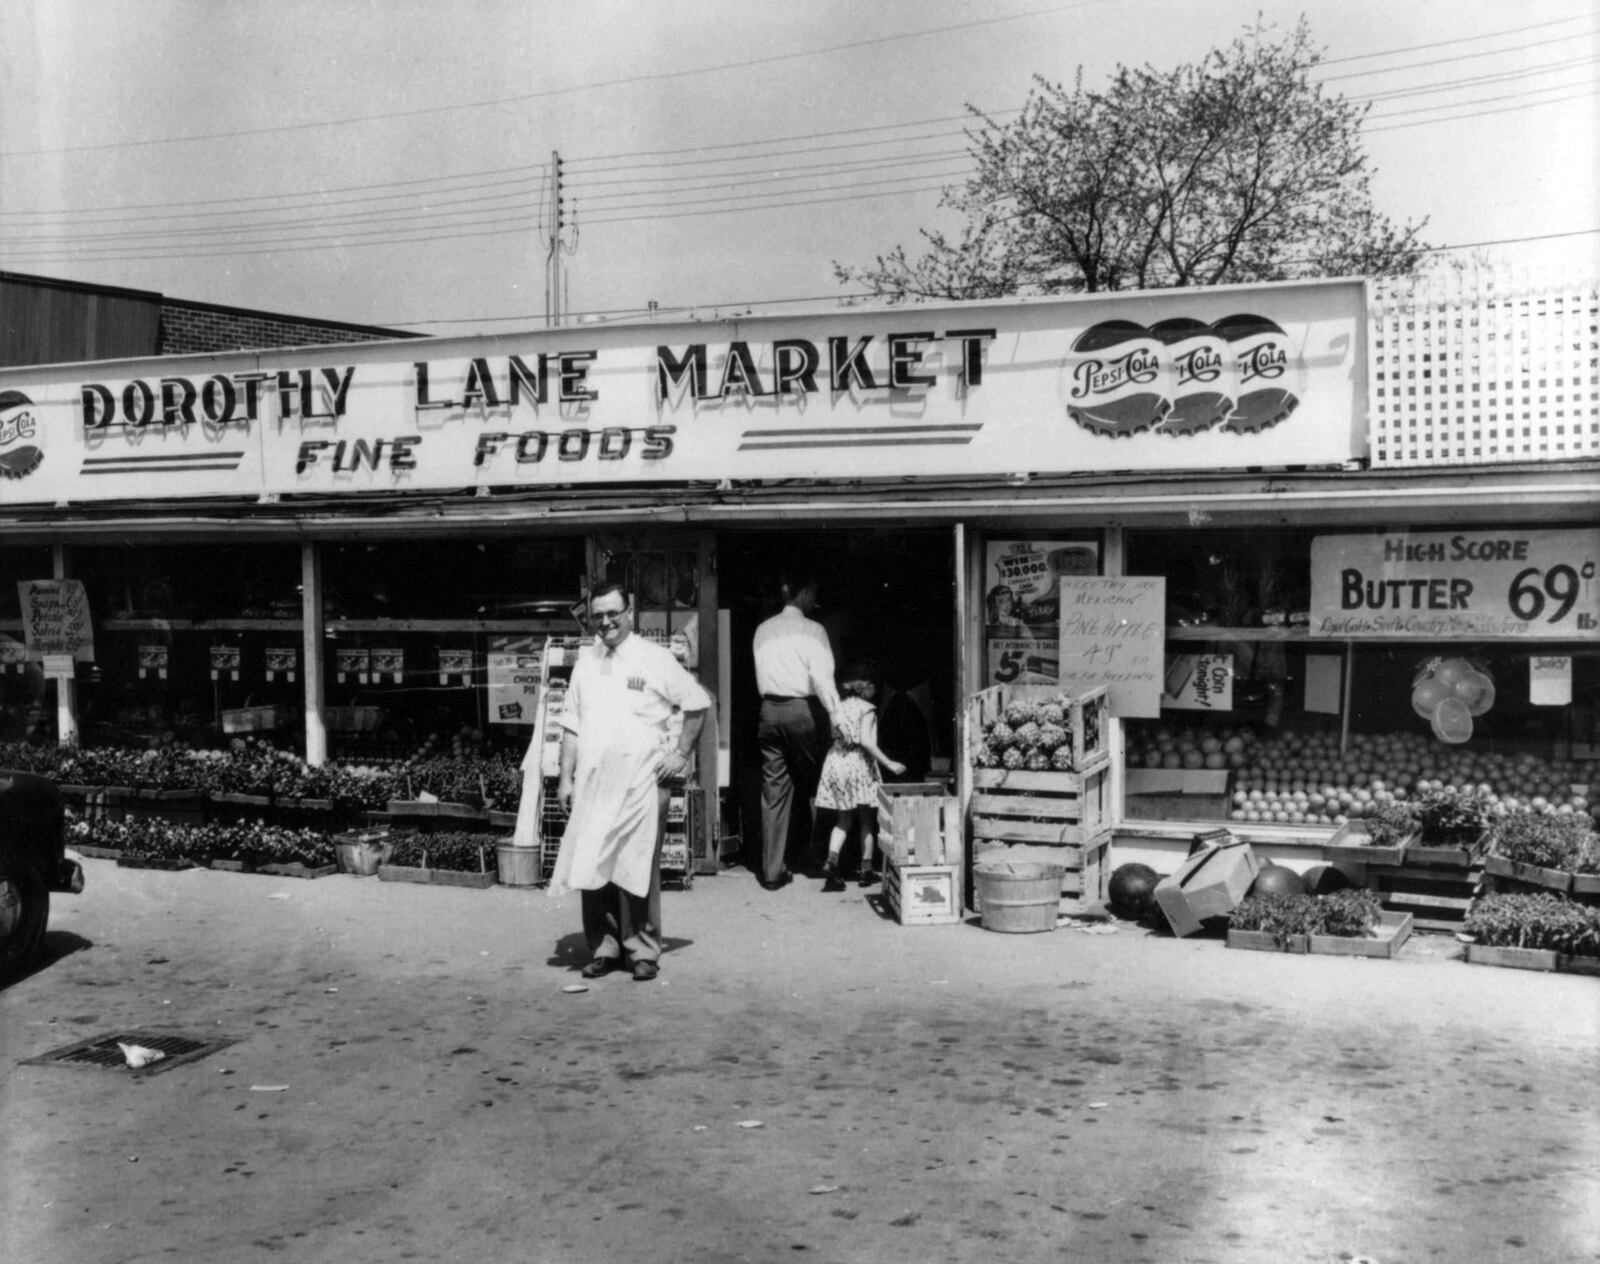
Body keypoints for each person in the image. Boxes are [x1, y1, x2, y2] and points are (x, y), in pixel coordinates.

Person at [554, 581, 710, 981]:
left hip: (641, 783)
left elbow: (697, 703)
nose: (605, 621)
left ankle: (642, 949)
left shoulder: (653, 658)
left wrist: (679, 754)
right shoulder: (586, 662)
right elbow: (572, 723)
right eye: (598, 615)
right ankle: (605, 946)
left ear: (630, 611)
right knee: (594, 864)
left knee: (638, 866)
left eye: (613, 613)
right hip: (593, 786)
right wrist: (565, 778)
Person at [752, 571, 839, 890]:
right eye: (813, 590)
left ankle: (772, 870)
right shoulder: (813, 630)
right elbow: (822, 679)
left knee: (774, 790)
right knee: (820, 782)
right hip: (803, 711)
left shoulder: (763, 629)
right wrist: (837, 715)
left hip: (769, 711)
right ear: (801, 594)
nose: (815, 598)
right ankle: (822, 859)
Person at [815, 662, 904, 891]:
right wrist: (889, 763)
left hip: (836, 762)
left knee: (843, 820)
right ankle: (866, 870)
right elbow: (866, 741)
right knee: (867, 820)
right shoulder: (867, 709)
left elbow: (835, 735)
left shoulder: (837, 709)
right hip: (858, 764)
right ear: (865, 685)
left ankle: (831, 861)